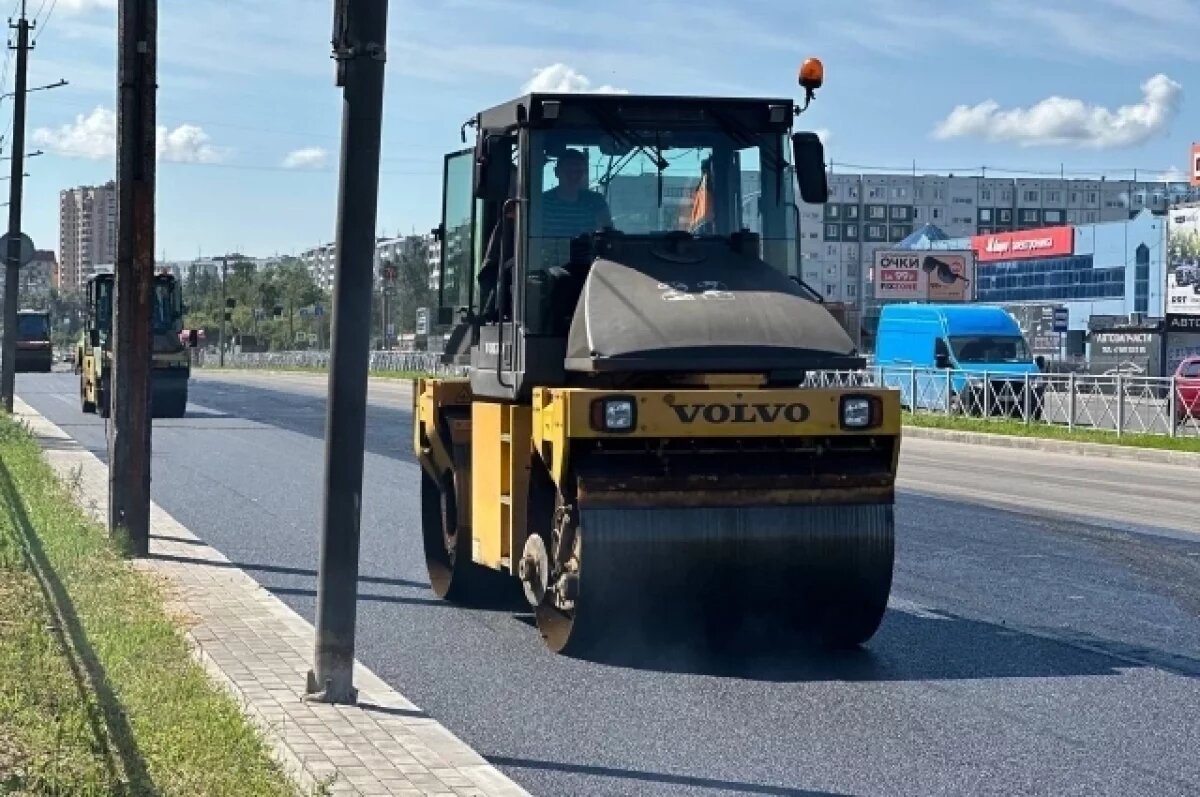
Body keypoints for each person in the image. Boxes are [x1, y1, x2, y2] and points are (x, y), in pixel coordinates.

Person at [540, 148, 612, 239]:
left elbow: (609, 234)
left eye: (578, 171)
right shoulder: (542, 203)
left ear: (585, 174)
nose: (573, 176)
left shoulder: (596, 201)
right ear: (557, 172)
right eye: (569, 171)